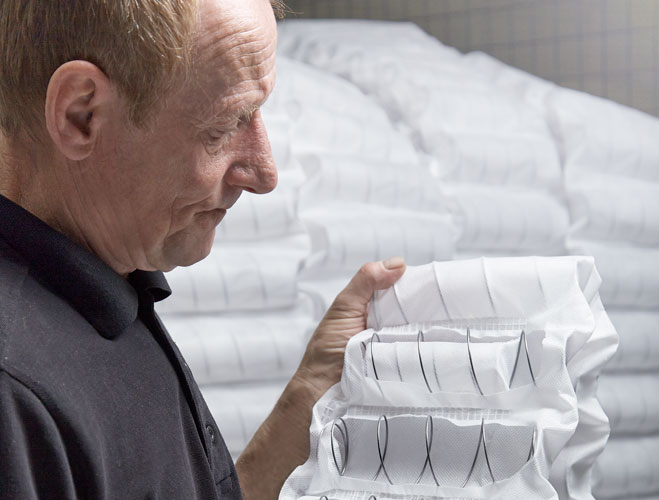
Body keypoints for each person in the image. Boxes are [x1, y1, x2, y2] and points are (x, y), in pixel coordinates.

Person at [0, 0, 407, 499]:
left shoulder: (106, 294)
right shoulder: (15, 391)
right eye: (224, 127)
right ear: (80, 115)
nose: (265, 173)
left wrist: (315, 387)